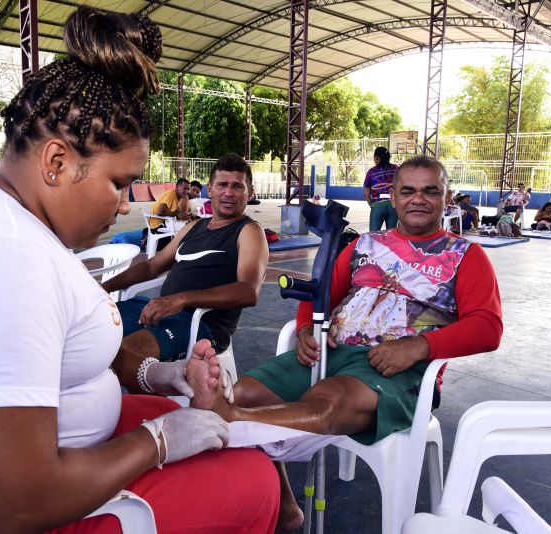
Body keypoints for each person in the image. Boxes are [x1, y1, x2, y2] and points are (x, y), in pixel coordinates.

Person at [0, 9, 278, 533]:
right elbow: (13, 506)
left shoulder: (3, 216)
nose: (123, 204)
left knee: (229, 437)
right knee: (252, 480)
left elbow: (60, 359)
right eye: (119, 183)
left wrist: (157, 376)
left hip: (39, 464)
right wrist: (157, 442)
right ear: (57, 163)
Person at [188, 155, 503, 531]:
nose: (418, 199)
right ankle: (286, 506)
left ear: (446, 196)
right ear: (393, 197)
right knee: (240, 393)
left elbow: (488, 327)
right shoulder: (364, 245)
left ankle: (233, 420)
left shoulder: (466, 256)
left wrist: (418, 347)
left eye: (430, 191)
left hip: (396, 369)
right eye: (408, 191)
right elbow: (318, 293)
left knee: (327, 402)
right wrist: (305, 330)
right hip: (329, 351)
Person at [103, 153, 269, 393]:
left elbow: (248, 291)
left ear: (249, 193)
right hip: (160, 308)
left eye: (237, 186)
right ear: (209, 190)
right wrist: (103, 287)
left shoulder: (248, 231)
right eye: (222, 185)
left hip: (198, 324)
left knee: (125, 351)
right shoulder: (195, 226)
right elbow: (153, 265)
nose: (229, 193)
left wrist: (180, 299)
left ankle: (143, 415)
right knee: (91, 326)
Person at [363, 146, 399, 231]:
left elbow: (366, 192)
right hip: (393, 206)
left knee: (373, 235)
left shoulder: (371, 172)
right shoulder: (396, 169)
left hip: (377, 206)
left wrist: (371, 204)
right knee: (392, 234)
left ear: (376, 157)